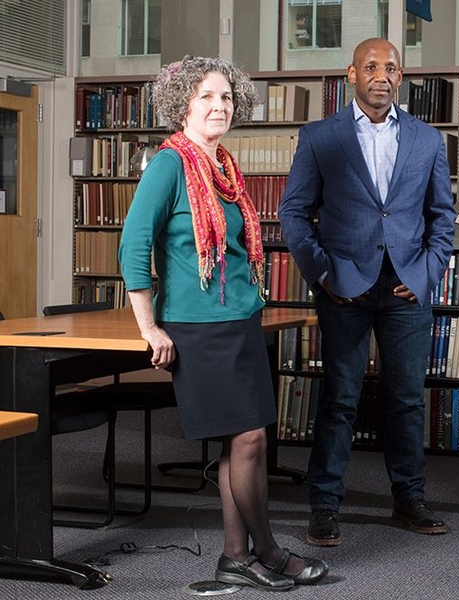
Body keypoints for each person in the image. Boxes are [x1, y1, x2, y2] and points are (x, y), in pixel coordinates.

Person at [118, 55, 328, 592]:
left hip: (239, 320)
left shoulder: (225, 167)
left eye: (227, 97)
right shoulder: (169, 164)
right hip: (196, 326)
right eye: (207, 96)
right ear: (182, 103)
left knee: (245, 442)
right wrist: (150, 328)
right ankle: (269, 551)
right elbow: (133, 245)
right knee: (250, 438)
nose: (219, 106)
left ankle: (235, 556)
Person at [279, 38, 456, 546]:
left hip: (405, 290)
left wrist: (425, 274)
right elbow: (294, 213)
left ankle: (410, 500)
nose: (382, 75)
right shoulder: (319, 136)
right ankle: (324, 505)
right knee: (339, 399)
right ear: (351, 73)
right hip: (344, 288)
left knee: (405, 400)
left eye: (392, 68)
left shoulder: (427, 140)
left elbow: (442, 218)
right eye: (372, 66)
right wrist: (324, 275)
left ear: (401, 78)